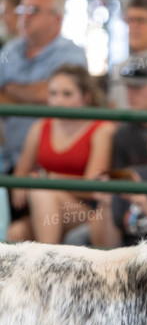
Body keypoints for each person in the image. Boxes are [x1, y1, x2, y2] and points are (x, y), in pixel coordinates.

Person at [6, 65, 115, 244]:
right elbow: (20, 174)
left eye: (67, 94)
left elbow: (92, 189)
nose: (58, 101)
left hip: (85, 210)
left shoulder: (102, 130)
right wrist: (22, 187)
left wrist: (49, 179)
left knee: (42, 191)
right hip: (44, 208)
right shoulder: (41, 126)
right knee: (16, 232)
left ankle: (49, 265)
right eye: (53, 94)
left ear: (86, 97)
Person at [0, 0, 87, 175]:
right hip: (6, 158)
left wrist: (10, 89)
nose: (25, 16)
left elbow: (48, 95)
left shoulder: (71, 54)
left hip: (50, 164)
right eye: (23, 9)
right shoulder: (10, 50)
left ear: (57, 19)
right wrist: (36, 98)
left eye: (34, 10)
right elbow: (45, 97)